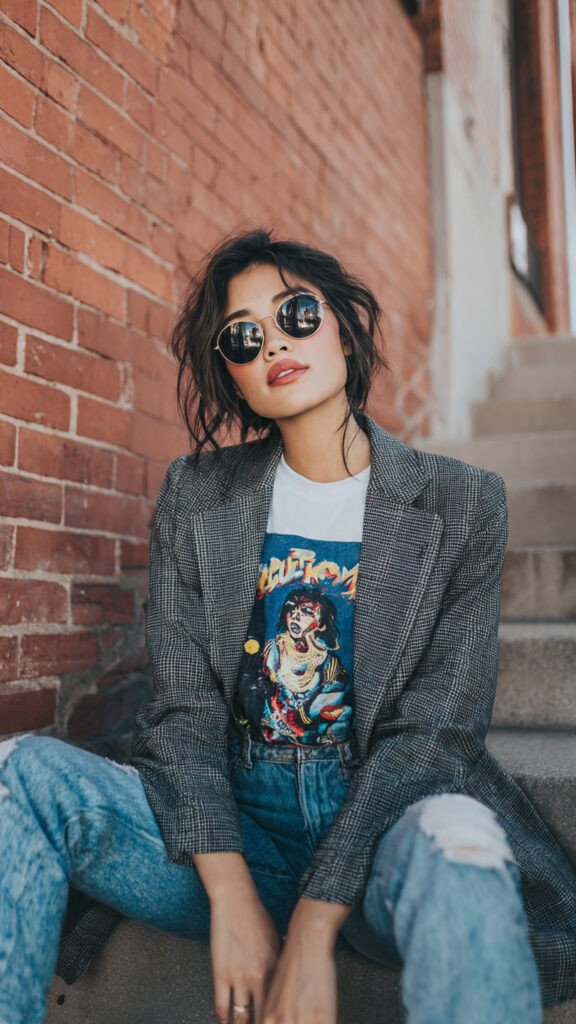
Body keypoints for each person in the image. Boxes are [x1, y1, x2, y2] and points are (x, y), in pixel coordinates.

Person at [1, 229, 576, 1024]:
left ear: (342, 324)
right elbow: (183, 714)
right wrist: (231, 893)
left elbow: (436, 734)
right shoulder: (197, 495)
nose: (273, 342)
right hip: (237, 828)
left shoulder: (461, 501)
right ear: (234, 376)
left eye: (294, 314)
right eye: (243, 337)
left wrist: (312, 922)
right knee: (17, 774)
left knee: (462, 837)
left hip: (385, 830)